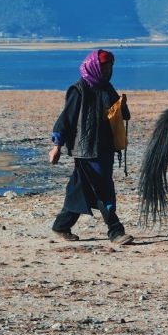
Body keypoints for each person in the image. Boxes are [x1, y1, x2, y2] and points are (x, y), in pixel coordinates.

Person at [49, 49, 133, 245]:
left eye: (110, 67)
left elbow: (122, 116)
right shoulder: (79, 90)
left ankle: (61, 225)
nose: (107, 71)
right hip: (86, 150)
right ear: (95, 66)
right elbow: (66, 120)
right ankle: (115, 231)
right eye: (104, 67)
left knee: (82, 189)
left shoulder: (107, 88)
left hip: (105, 148)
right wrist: (57, 146)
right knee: (103, 188)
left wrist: (123, 107)